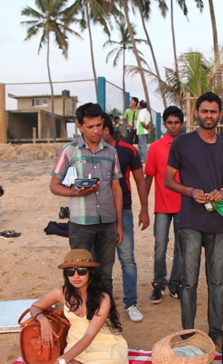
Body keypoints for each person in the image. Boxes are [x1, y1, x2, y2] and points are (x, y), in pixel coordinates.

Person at [164, 92, 223, 343]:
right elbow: (168, 181)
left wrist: (222, 193)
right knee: (189, 281)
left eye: (213, 111)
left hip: (219, 223)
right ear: (196, 113)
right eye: (204, 111)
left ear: (220, 115)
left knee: (217, 282)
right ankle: (188, 333)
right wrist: (190, 191)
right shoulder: (182, 143)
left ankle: (216, 332)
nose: (208, 115)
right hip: (190, 222)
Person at [29, 249, 128, 364]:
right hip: (76, 343)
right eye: (70, 271)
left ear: (90, 273)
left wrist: (61, 360)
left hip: (105, 344)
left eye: (81, 271)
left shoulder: (103, 298)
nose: (76, 276)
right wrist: (43, 321)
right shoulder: (61, 292)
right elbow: (35, 307)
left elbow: (89, 336)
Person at [50, 102, 123, 297]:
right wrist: (77, 193)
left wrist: (118, 224)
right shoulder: (70, 151)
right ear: (80, 127)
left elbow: (116, 188)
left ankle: (106, 313)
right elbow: (54, 186)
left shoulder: (111, 152)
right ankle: (80, 311)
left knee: (105, 273)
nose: (96, 130)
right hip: (81, 223)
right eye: (90, 127)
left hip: (107, 222)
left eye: (99, 125)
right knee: (78, 273)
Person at [101, 113, 150, 323]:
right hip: (100, 212)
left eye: (98, 127)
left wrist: (145, 209)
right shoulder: (93, 152)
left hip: (125, 210)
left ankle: (130, 304)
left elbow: (140, 181)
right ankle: (105, 306)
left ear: (106, 129)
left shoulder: (128, 150)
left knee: (127, 259)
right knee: (102, 261)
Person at [145, 105, 185, 303]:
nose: (173, 126)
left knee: (181, 247)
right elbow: (148, 176)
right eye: (169, 123)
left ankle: (175, 284)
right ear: (164, 124)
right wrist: (144, 206)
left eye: (176, 122)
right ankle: (158, 283)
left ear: (182, 123)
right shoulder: (155, 147)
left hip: (184, 204)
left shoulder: (189, 145)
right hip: (161, 206)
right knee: (160, 245)